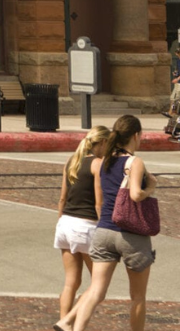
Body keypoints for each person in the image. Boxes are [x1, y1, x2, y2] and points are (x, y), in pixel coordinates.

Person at [64, 115, 156, 331]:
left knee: (95, 291)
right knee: (138, 297)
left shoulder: (104, 160)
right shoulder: (135, 161)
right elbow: (135, 194)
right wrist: (151, 188)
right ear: (136, 135)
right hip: (131, 234)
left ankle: (74, 327)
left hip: (104, 230)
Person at [53, 125, 112, 329]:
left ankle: (64, 323)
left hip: (65, 224)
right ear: (102, 143)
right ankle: (69, 322)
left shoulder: (71, 161)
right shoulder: (97, 164)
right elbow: (98, 203)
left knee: (71, 282)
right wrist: (105, 226)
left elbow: (62, 198)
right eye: (109, 144)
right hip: (86, 226)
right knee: (98, 285)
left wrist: (61, 221)